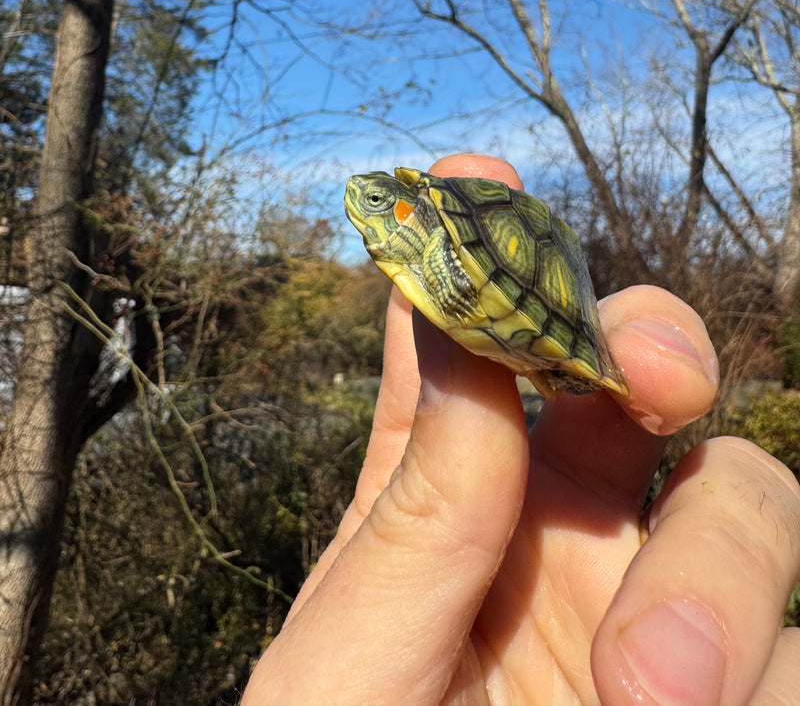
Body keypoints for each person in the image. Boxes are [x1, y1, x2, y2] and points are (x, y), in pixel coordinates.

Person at [242, 154, 800, 706]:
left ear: (410, 213)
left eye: (378, 203)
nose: (362, 204)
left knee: (623, 385)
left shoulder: (450, 235)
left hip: (532, 318)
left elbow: (471, 264)